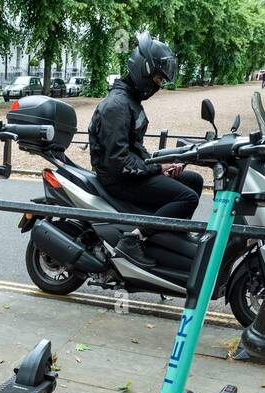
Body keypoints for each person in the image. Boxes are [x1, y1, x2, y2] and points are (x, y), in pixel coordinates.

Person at [87, 32, 203, 269]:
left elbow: (133, 148)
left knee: (194, 180)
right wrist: (156, 168)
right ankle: (134, 239)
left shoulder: (128, 100)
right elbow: (117, 162)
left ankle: (170, 235)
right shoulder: (117, 106)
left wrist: (163, 164)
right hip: (118, 180)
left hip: (128, 173)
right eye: (158, 79)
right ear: (143, 69)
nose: (158, 86)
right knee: (187, 196)